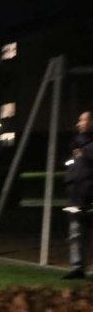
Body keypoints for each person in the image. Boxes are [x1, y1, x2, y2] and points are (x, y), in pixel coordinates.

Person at [63, 111, 93, 279]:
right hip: (77, 195)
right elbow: (75, 168)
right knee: (76, 233)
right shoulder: (76, 144)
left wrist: (84, 151)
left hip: (90, 194)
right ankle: (78, 268)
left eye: (83, 120)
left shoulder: (85, 146)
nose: (78, 123)